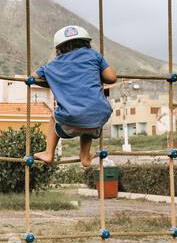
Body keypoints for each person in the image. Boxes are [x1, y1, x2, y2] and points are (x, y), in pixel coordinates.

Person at [32, 25, 117, 166]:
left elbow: (32, 78)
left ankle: (48, 153)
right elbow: (112, 78)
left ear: (59, 48)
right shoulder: (94, 55)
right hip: (98, 119)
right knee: (89, 116)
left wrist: (55, 81)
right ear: (86, 42)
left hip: (70, 121)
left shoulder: (53, 65)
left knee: (54, 117)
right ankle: (85, 156)